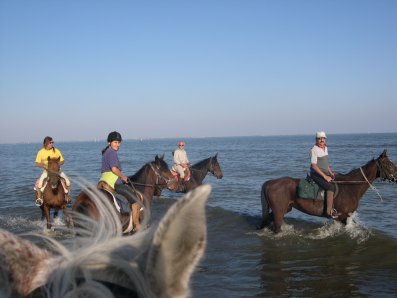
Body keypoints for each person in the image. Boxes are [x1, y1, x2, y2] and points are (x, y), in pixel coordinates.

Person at [99, 131, 136, 206]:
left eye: (119, 142)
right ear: (109, 142)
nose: (118, 145)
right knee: (134, 200)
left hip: (102, 181)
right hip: (113, 183)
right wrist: (123, 177)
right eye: (115, 142)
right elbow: (114, 169)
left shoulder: (106, 152)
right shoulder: (112, 152)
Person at [309, 131, 339, 218]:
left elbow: (326, 164)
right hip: (316, 174)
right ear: (316, 140)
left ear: (325, 139)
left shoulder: (325, 148)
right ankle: (329, 212)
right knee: (330, 187)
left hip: (325, 172)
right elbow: (313, 165)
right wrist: (325, 176)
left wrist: (331, 173)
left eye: (323, 138)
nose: (321, 140)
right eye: (319, 138)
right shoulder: (314, 150)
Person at [34, 136, 71, 206]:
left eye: (52, 142)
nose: (52, 144)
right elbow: (37, 163)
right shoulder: (41, 152)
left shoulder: (56, 151)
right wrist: (45, 166)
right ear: (46, 143)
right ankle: (39, 198)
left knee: (67, 181)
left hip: (57, 171)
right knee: (39, 183)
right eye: (50, 142)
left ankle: (67, 197)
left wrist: (57, 165)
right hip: (47, 172)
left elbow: (62, 161)